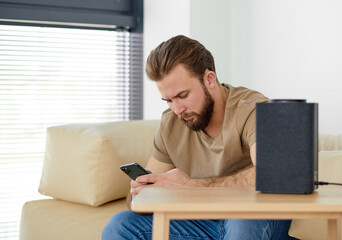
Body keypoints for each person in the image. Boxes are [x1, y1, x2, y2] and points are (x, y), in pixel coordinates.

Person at [102, 35, 295, 240]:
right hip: (200, 225)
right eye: (168, 100)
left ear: (209, 79)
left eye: (183, 95)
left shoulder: (253, 109)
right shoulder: (171, 123)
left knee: (243, 220)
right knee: (119, 225)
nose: (177, 109)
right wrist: (141, 194)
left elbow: (275, 175)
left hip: (252, 218)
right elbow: (136, 202)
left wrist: (192, 186)